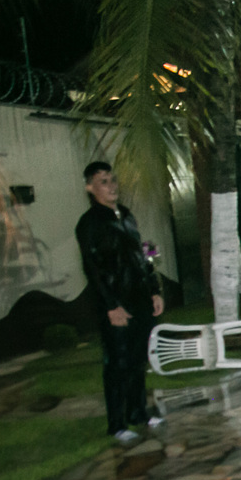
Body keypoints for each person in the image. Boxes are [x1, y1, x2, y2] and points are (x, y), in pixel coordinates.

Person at [74, 161, 165, 442]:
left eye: (112, 179)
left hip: (139, 299)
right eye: (103, 181)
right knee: (117, 364)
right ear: (90, 187)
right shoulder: (90, 223)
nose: (111, 185)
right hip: (116, 304)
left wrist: (154, 290)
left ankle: (137, 412)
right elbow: (93, 268)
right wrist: (111, 305)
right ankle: (117, 425)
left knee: (137, 359)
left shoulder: (125, 215)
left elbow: (141, 255)